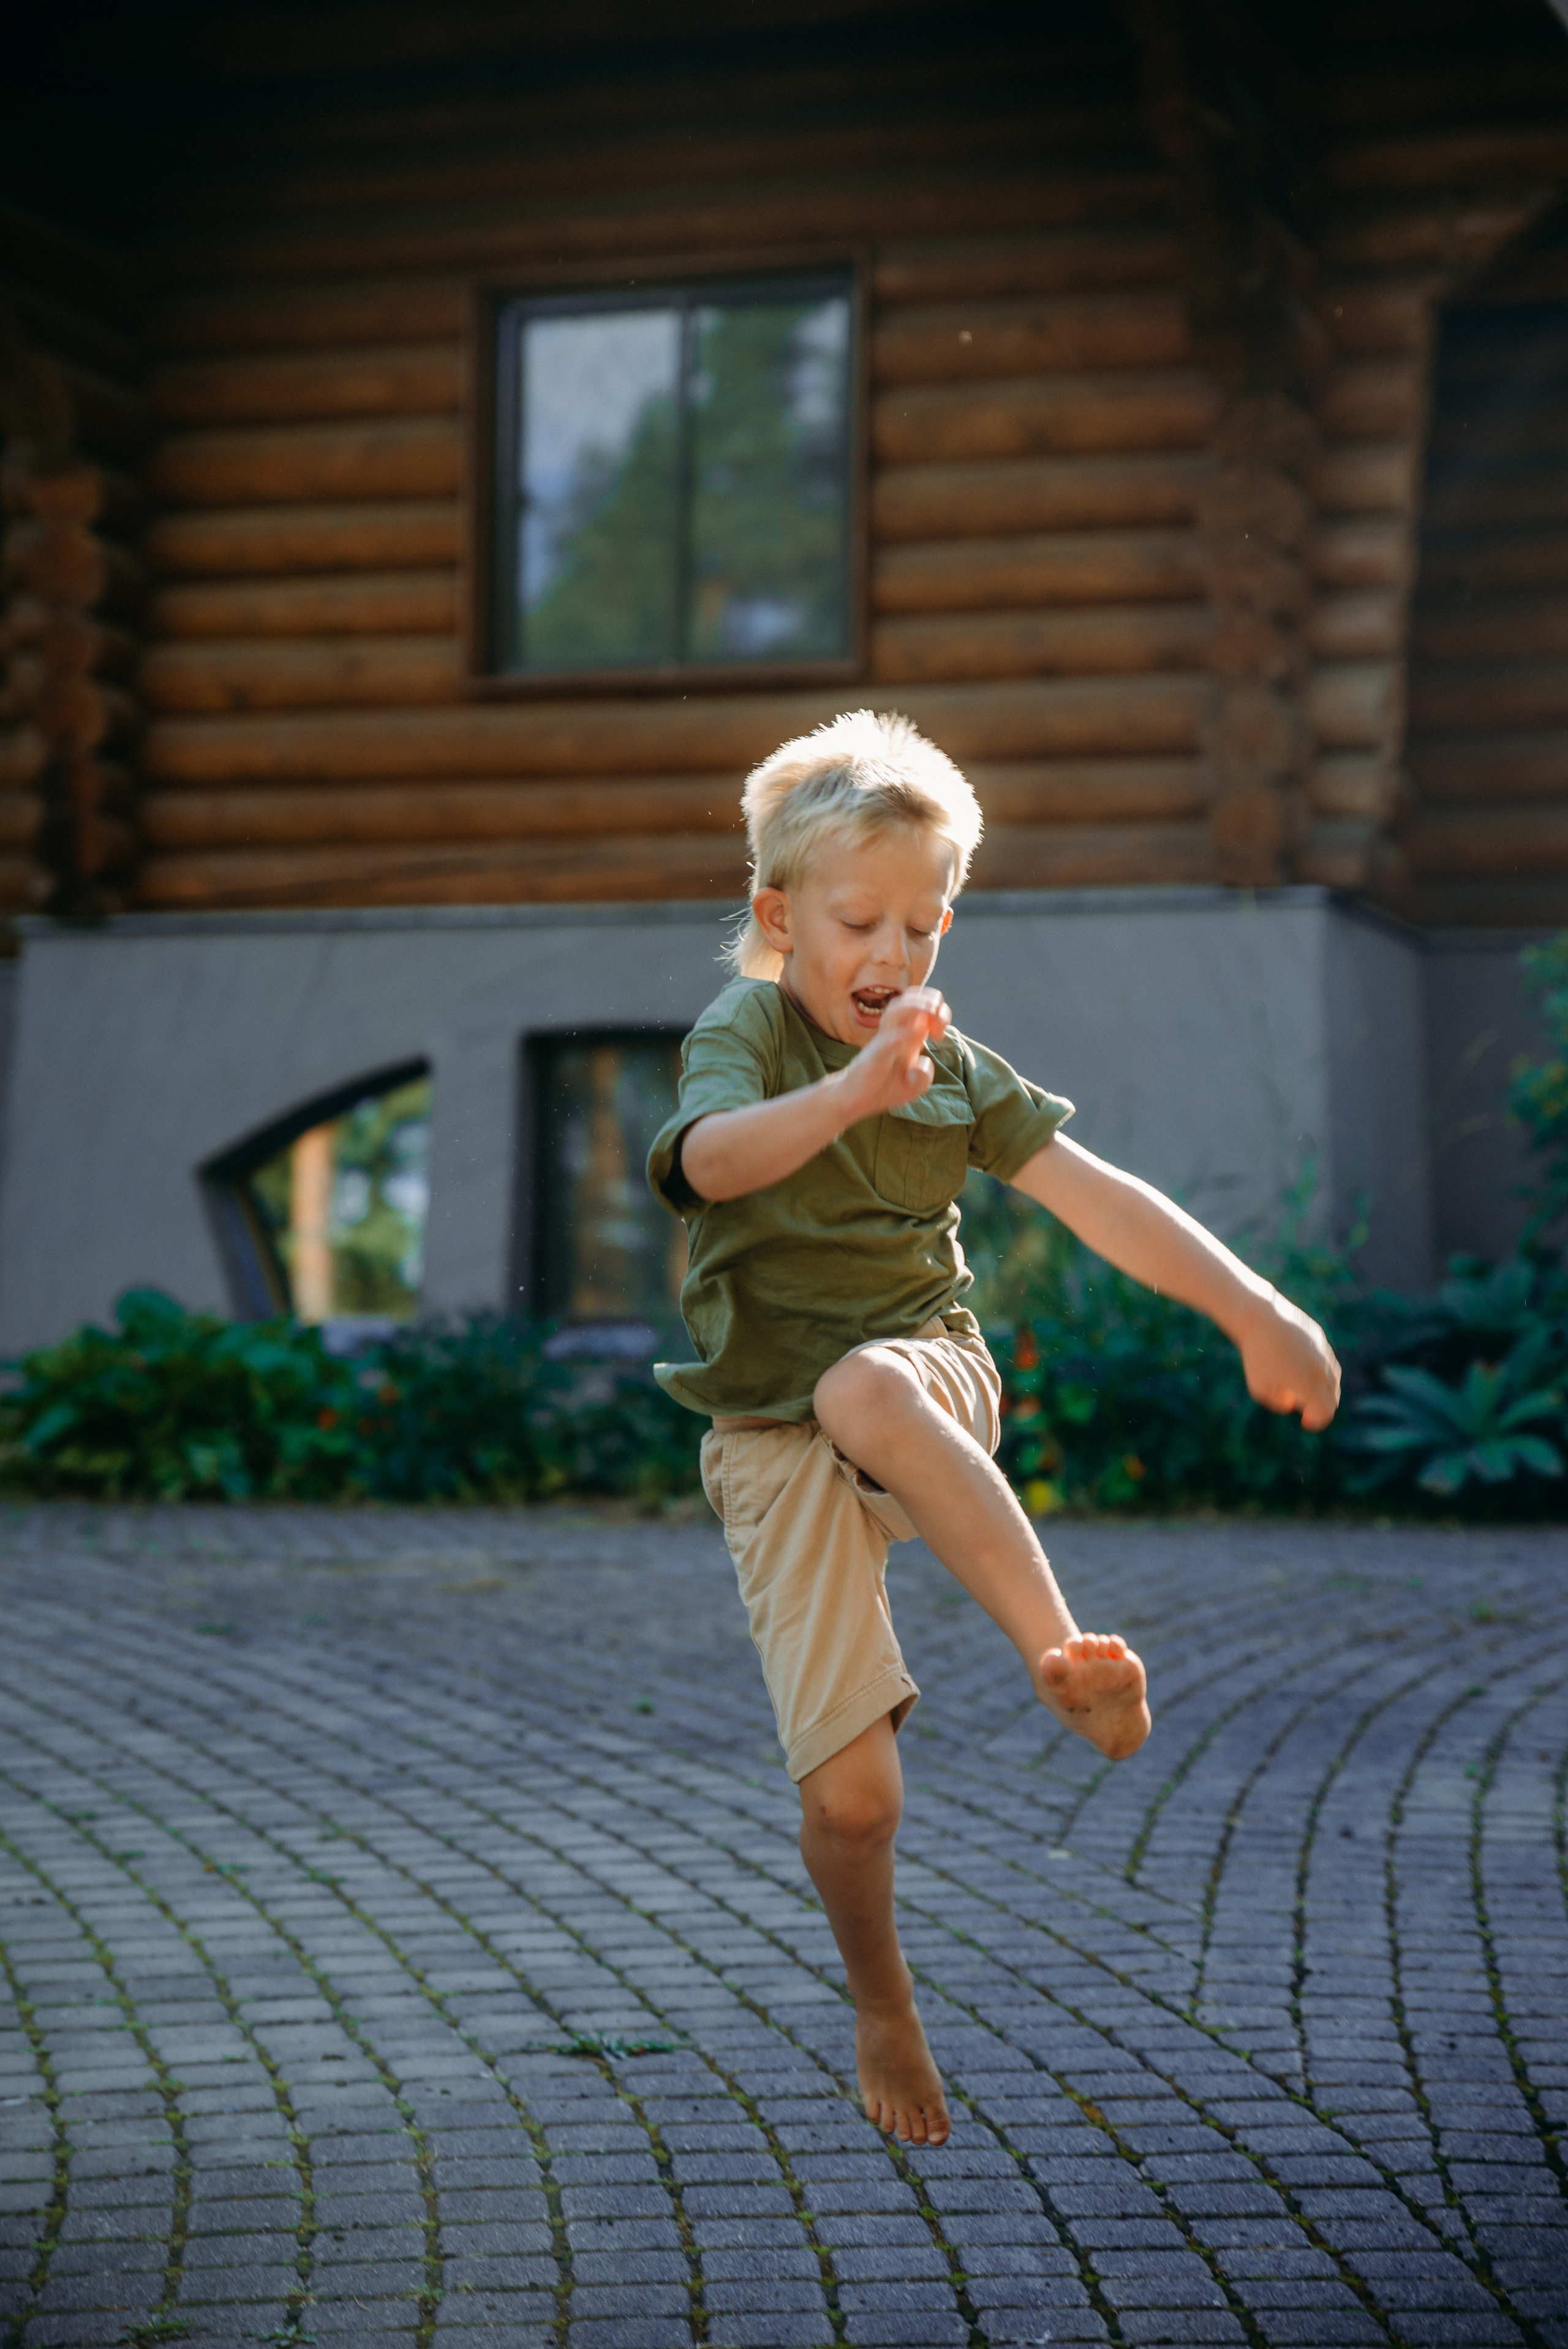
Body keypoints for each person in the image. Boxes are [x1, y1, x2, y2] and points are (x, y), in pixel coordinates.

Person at [646, 709, 1340, 2149]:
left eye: (920, 927)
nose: (891, 955)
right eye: (858, 923)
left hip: (920, 1379)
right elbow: (708, 1163)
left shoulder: (953, 1068)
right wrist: (847, 1095)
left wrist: (1256, 1310)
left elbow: (1099, 1198)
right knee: (853, 1803)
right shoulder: (747, 1035)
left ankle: (1063, 1665)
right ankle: (881, 2000)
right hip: (767, 1432)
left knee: (865, 1385)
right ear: (779, 920)